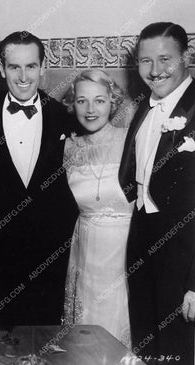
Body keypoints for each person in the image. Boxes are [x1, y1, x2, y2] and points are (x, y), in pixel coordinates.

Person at [0, 31, 78, 326]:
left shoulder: (67, 117)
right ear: (2, 69)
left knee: (47, 344)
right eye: (14, 67)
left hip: (52, 256)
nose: (23, 76)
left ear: (43, 67)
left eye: (31, 66)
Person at [119, 22, 195, 364]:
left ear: (187, 58)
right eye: (145, 61)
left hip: (186, 257)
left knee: (181, 348)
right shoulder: (145, 109)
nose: (155, 70)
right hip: (143, 247)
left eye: (165, 59)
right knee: (147, 345)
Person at [61, 70, 132, 346]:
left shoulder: (132, 141)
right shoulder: (67, 148)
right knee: (85, 335)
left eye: (99, 101)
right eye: (82, 101)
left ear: (112, 102)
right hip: (85, 252)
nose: (91, 110)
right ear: (73, 104)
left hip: (126, 252)